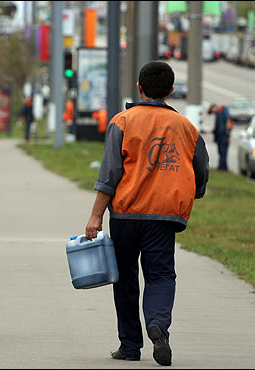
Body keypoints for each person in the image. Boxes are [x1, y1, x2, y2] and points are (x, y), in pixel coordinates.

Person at [85, 61, 209, 366]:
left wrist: (96, 216)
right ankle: (158, 324)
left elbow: (109, 174)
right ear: (170, 90)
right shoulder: (187, 127)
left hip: (126, 215)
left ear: (139, 88)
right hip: (164, 216)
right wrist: (196, 191)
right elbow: (201, 168)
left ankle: (129, 346)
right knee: (161, 275)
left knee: (124, 278)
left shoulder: (123, 121)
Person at [207, 103, 233, 171]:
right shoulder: (218, 113)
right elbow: (217, 127)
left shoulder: (223, 109)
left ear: (213, 107)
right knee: (221, 152)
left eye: (212, 111)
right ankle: (222, 167)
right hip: (219, 136)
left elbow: (228, 119)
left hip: (224, 135)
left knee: (223, 151)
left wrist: (227, 132)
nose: (213, 113)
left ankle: (222, 167)